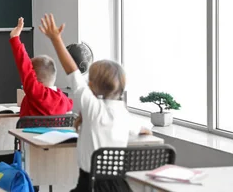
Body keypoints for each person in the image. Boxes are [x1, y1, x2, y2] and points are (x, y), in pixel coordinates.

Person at [39, 14, 151, 192]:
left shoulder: (93, 108)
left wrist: (56, 39)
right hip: (119, 186)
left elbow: (72, 71)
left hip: (90, 186)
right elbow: (144, 129)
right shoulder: (124, 115)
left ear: (91, 84)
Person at [0, 17, 74, 183]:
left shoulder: (38, 94)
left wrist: (15, 39)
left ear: (34, 79)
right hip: (56, 161)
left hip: (27, 159)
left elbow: (25, 67)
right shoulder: (65, 102)